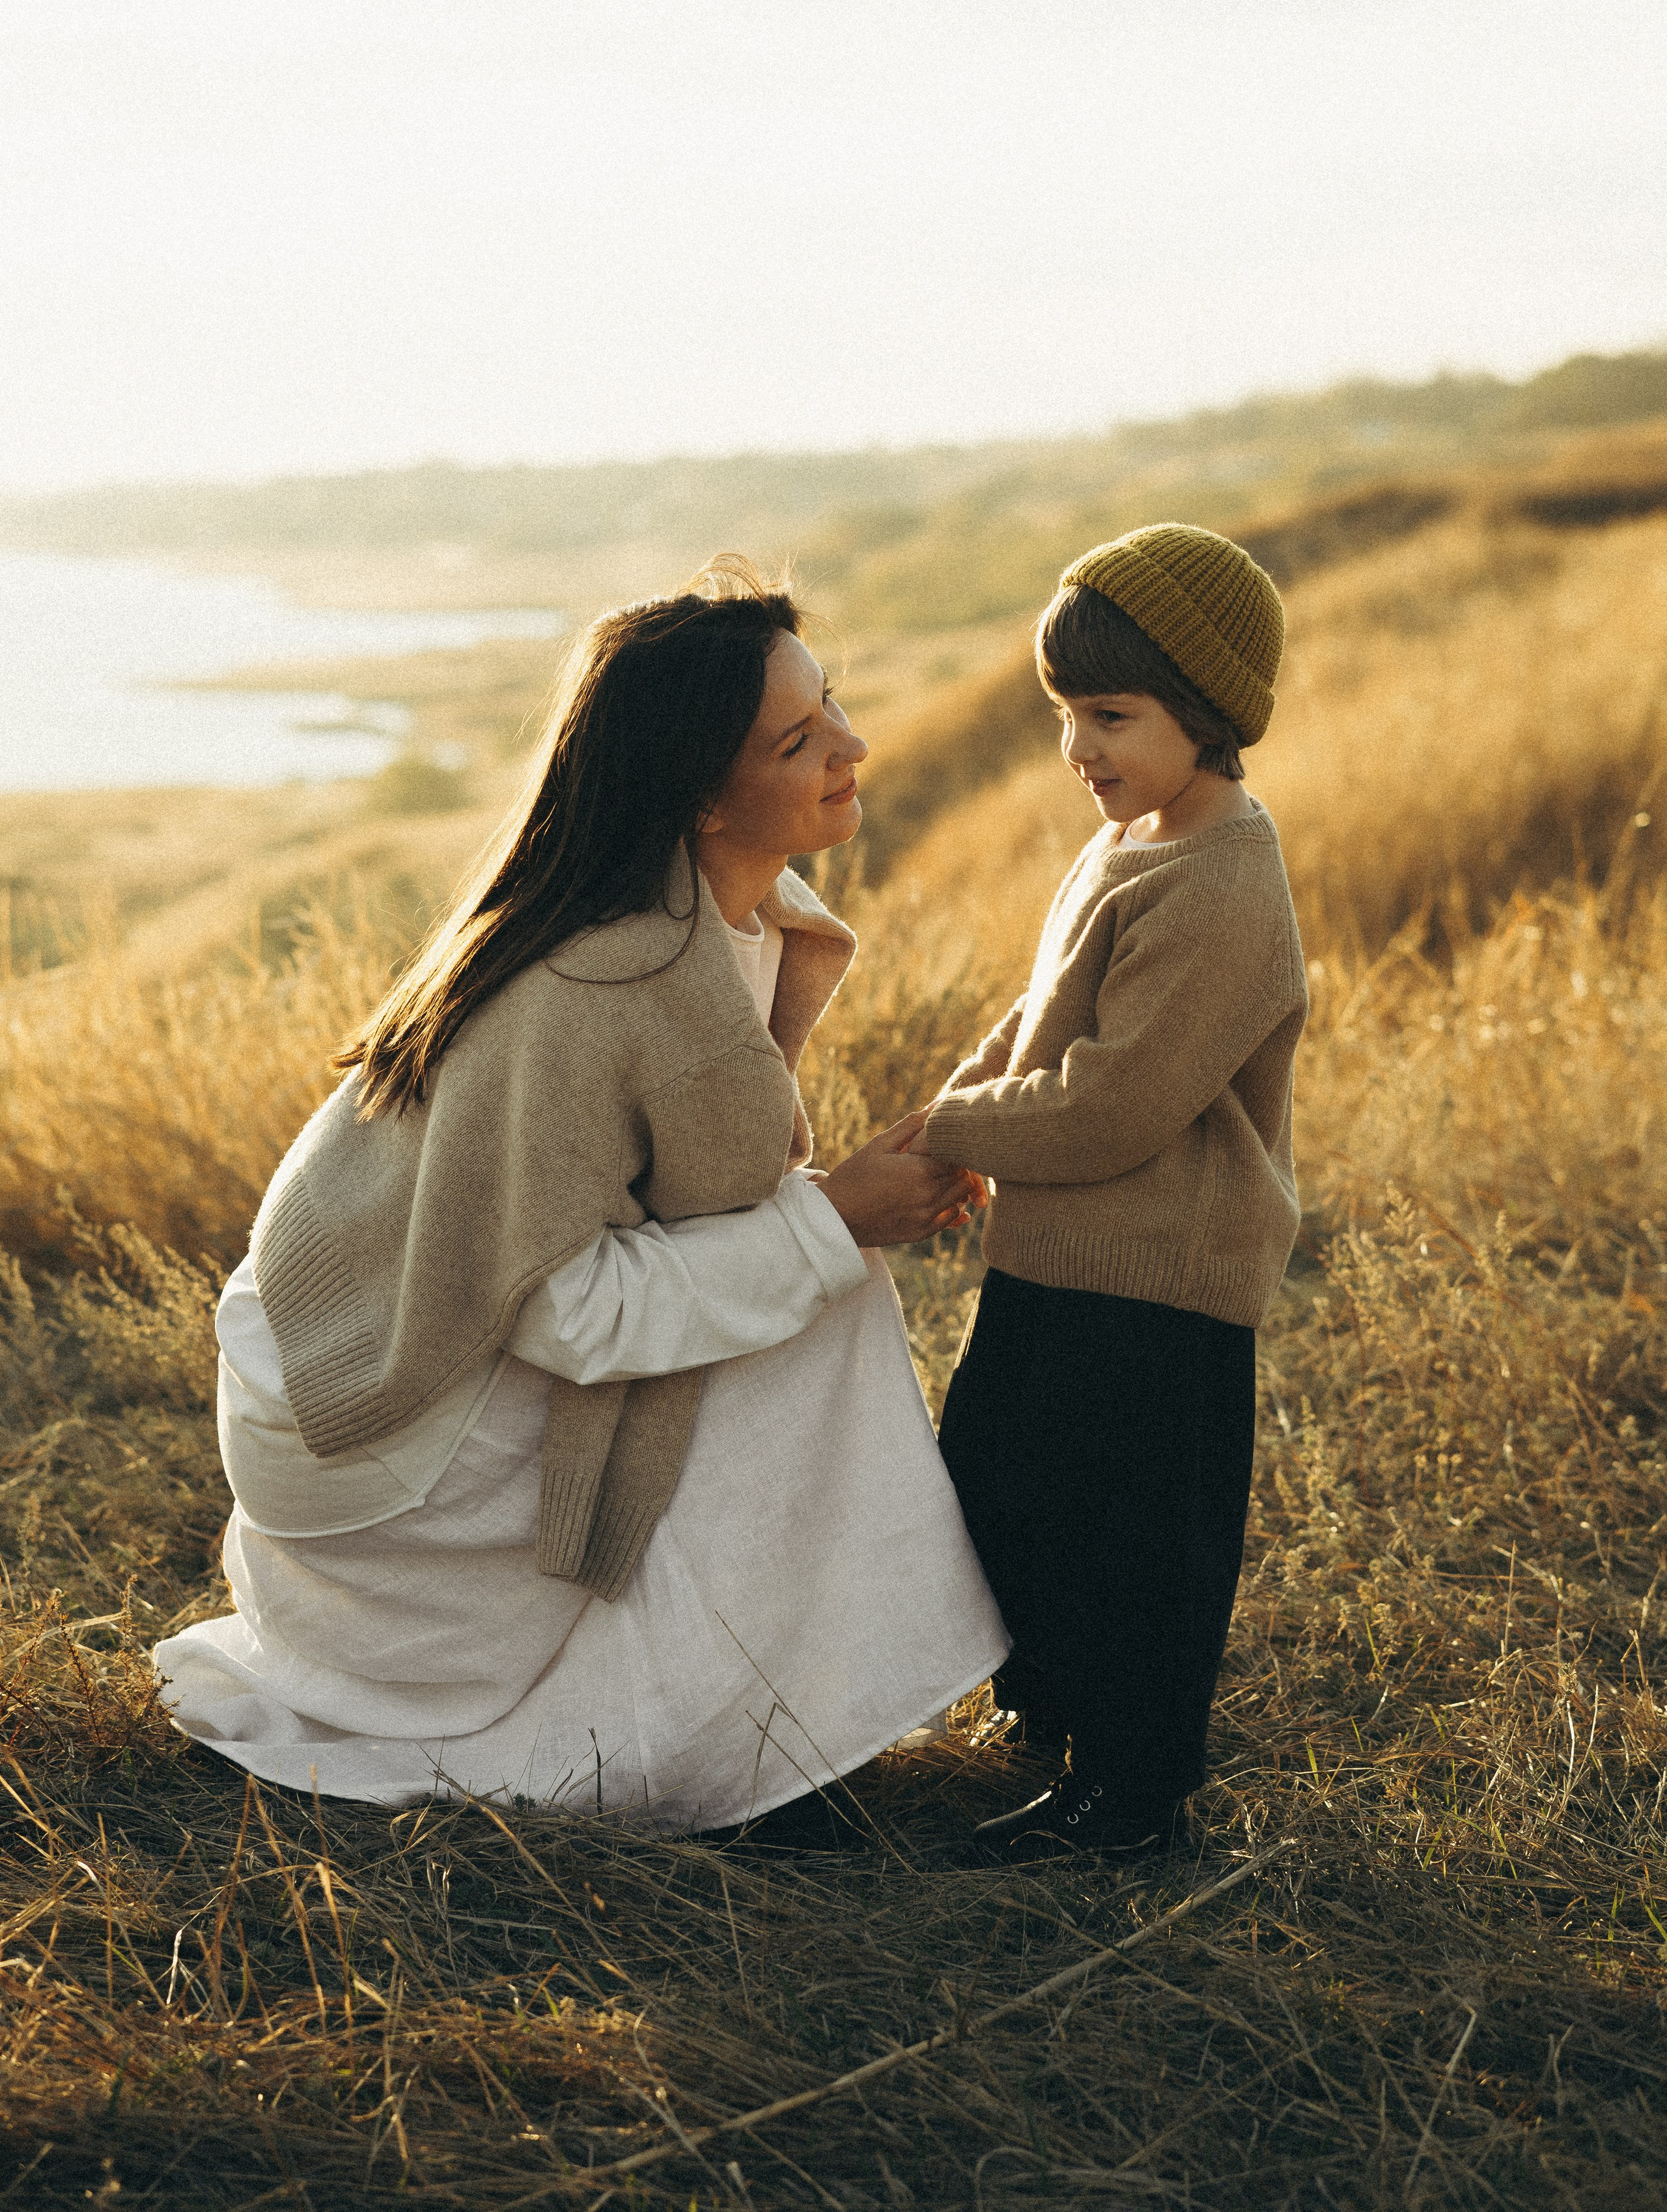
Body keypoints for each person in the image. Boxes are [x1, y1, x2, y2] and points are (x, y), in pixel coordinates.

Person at [155, 564, 1007, 1840]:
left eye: (832, 705)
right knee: (812, 1308)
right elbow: (578, 1315)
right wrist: (833, 1219)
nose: (853, 746)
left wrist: (832, 1211)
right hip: (371, 1447)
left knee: (797, 1281)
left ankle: (782, 1704)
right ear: (699, 795)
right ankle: (739, 1738)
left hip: (402, 1358)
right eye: (797, 738)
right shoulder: (603, 975)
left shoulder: (720, 914)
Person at [913, 524, 1308, 1858]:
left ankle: (1130, 1794)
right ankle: (1050, 1704)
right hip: (1062, 1251)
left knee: (1137, 1541)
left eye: (1111, 716)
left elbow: (1116, 1100)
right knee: (1002, 1484)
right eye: (1064, 716)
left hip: (1157, 1273)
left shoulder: (1221, 878)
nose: (1079, 748)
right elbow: (1041, 1017)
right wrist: (962, 1110)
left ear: (1206, 712)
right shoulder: (1134, 838)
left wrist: (951, 1127)